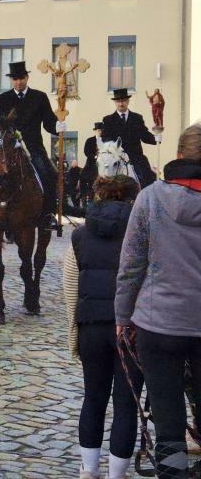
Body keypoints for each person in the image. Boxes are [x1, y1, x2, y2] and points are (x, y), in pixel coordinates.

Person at [116, 122, 201, 479]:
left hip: (158, 322)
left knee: (167, 417)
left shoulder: (151, 197)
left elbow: (132, 263)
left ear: (179, 156)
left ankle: (173, 473)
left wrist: (122, 314)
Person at [63, 175, 143, 479]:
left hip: (91, 325)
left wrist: (75, 332)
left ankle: (89, 470)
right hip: (130, 328)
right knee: (126, 403)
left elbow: (70, 286)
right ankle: (116, 474)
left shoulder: (80, 235)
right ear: (132, 200)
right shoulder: (141, 231)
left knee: (93, 397)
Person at [0, 61, 65, 230]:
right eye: (15, 79)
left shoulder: (39, 97)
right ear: (12, 80)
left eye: (22, 78)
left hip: (33, 147)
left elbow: (48, 122)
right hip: (8, 148)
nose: (19, 82)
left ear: (27, 78)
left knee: (49, 174)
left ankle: (48, 214)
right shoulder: (2, 99)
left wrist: (57, 126)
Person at [102, 89, 159, 187]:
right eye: (118, 101)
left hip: (136, 158)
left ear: (128, 101)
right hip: (118, 158)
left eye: (123, 100)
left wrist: (156, 138)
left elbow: (144, 135)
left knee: (148, 178)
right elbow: (105, 138)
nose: (121, 103)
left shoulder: (137, 118)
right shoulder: (108, 120)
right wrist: (114, 147)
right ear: (115, 102)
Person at [79, 122, 104, 202]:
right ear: (95, 131)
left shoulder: (105, 141)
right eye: (98, 130)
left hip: (103, 163)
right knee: (83, 175)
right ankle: (83, 194)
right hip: (91, 163)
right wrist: (94, 156)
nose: (100, 132)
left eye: (101, 130)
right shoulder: (90, 140)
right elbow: (86, 151)